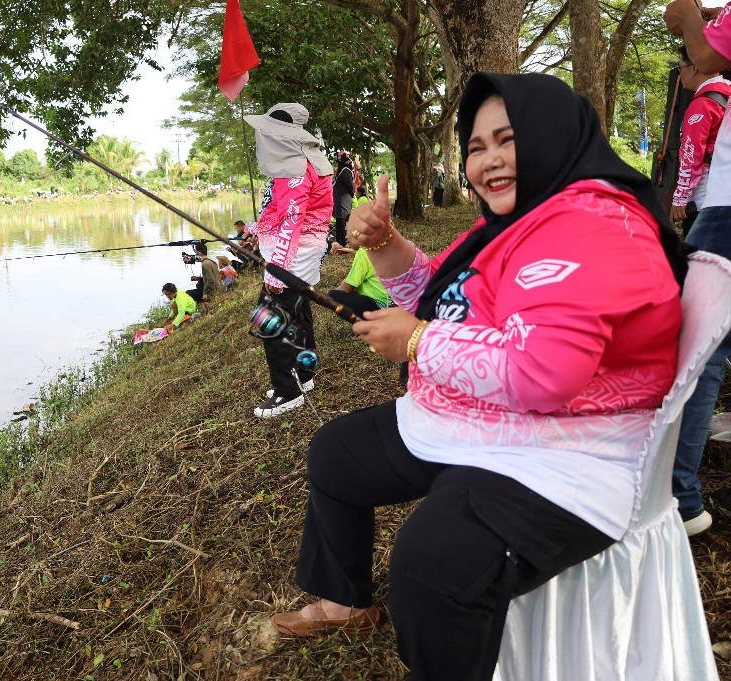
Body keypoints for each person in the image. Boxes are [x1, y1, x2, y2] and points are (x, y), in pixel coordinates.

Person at [268, 73, 689, 681]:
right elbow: (446, 298)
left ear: (550, 137)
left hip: (568, 448)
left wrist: (415, 341)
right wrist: (387, 246)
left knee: (428, 566)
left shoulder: (593, 225)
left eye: (506, 140)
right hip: (486, 421)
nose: (488, 161)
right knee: (337, 455)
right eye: (475, 147)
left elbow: (545, 372)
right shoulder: (521, 217)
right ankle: (345, 600)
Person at [665, 0, 731, 535]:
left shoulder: (703, 98)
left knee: (701, 350)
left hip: (724, 209)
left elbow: (691, 158)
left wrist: (689, 15)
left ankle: (681, 499)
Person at [243, 103, 333, 418]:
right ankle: (303, 376)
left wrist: (276, 273)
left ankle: (287, 391)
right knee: (299, 314)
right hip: (301, 256)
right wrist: (257, 229)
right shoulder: (303, 159)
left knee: (270, 321)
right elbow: (281, 212)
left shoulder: (296, 168)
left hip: (291, 258)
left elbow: (292, 223)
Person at [670, 46, 731, 234]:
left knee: (702, 257)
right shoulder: (727, 92)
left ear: (694, 67)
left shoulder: (702, 105)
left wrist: (679, 199)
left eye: (680, 68)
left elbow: (691, 154)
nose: (680, 75)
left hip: (709, 197)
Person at [326, 249, 390, 314]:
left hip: (380, 305)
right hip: (396, 302)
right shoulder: (391, 245)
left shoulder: (364, 252)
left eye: (354, 237)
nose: (346, 238)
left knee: (333, 296)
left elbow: (345, 289)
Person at [332, 152, 355, 248]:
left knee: (341, 218)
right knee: (341, 219)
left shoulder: (344, 170)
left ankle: (342, 241)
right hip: (341, 198)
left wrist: (352, 192)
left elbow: (350, 185)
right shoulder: (344, 170)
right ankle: (341, 242)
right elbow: (350, 186)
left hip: (342, 198)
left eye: (337, 161)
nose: (336, 164)